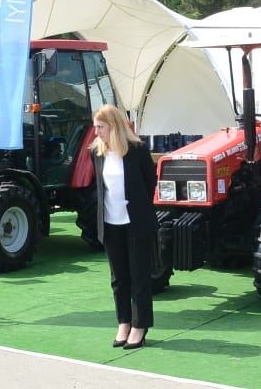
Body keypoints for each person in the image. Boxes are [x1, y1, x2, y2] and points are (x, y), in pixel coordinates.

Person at [90, 104, 156, 350]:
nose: (97, 132)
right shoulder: (96, 153)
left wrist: (138, 207)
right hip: (110, 223)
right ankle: (124, 323)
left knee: (139, 276)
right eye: (95, 127)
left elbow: (150, 181)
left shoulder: (137, 150)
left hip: (136, 223)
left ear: (114, 126)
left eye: (101, 127)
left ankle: (140, 326)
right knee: (119, 278)